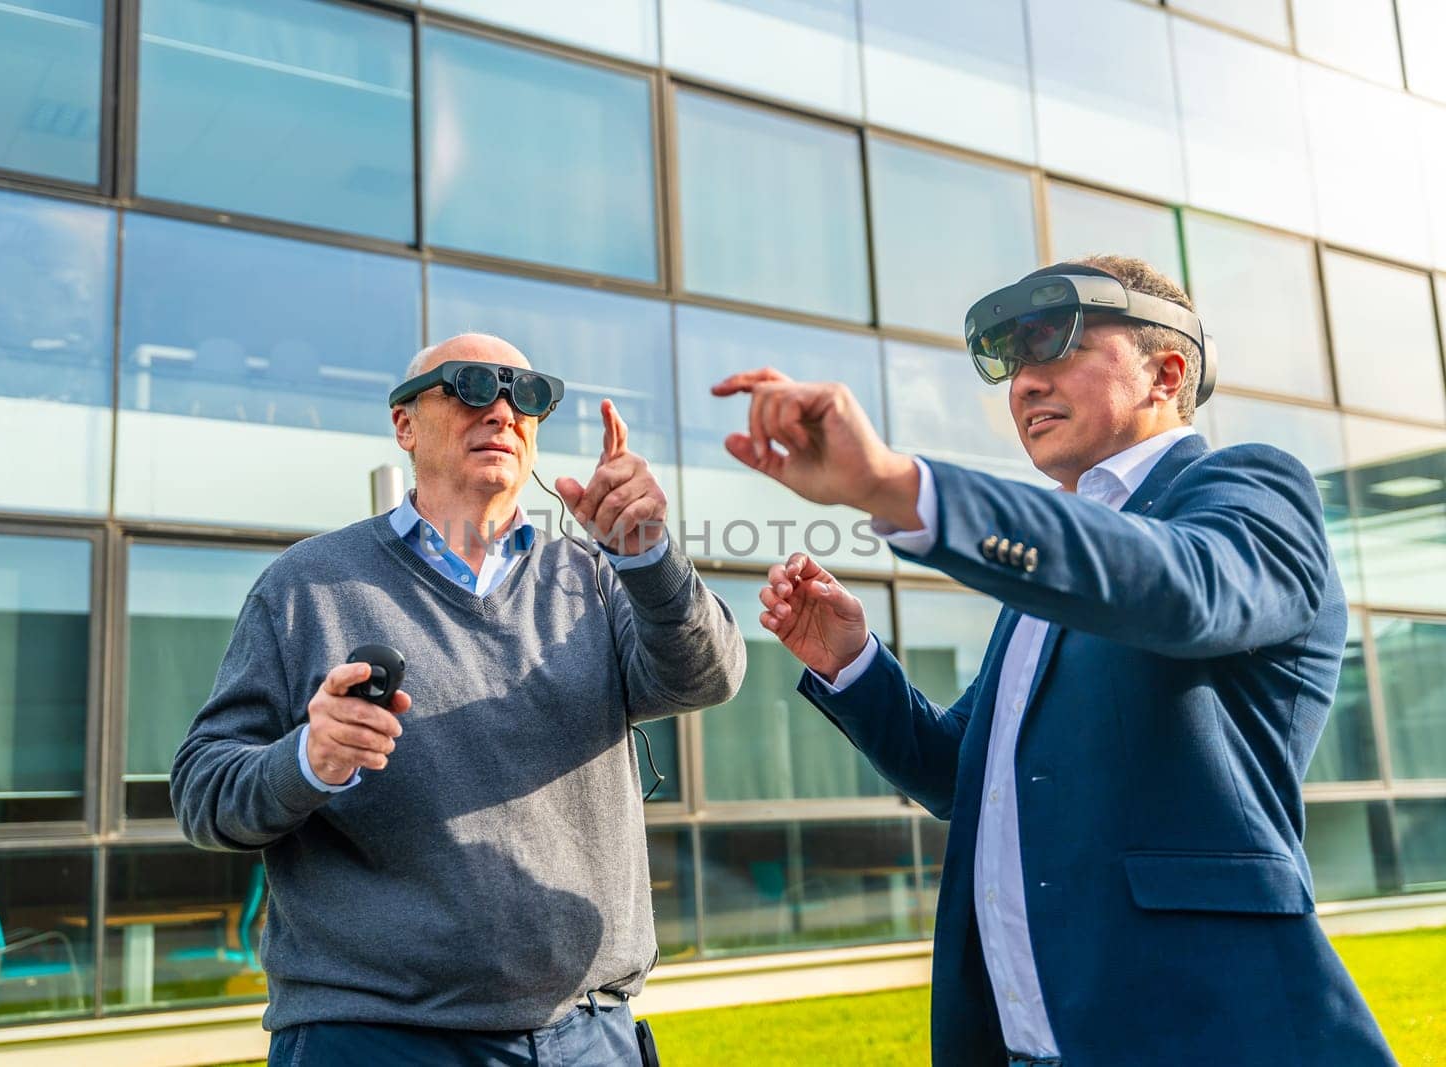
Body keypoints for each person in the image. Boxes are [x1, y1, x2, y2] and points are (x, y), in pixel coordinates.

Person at [713, 256, 1395, 1066]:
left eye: (1055, 344)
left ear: (1165, 372)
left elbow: (1185, 587)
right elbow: (960, 774)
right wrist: (854, 663)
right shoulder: (1051, 570)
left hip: (1206, 1033)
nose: (1025, 383)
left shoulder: (1250, 488)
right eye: (1011, 361)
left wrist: (901, 486)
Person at [172, 333, 745, 1065]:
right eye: (472, 384)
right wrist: (307, 761)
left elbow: (709, 675)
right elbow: (201, 791)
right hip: (378, 1039)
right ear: (404, 424)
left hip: (591, 1034)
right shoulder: (305, 586)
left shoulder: (597, 578)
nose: (502, 408)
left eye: (526, 392)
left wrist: (649, 558)